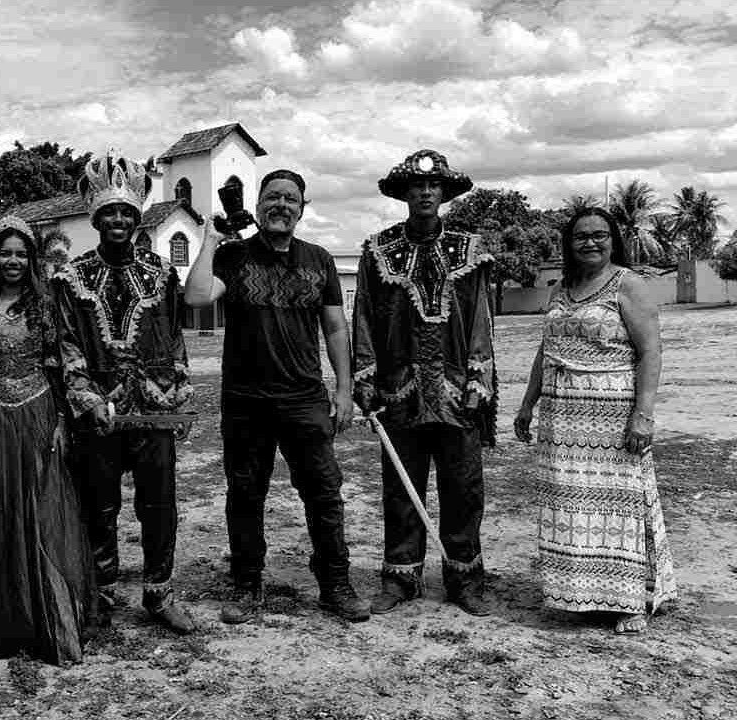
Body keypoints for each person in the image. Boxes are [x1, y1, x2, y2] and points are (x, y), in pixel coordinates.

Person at [183, 169, 370, 625]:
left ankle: (334, 583)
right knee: (245, 494)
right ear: (259, 204)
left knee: (325, 493)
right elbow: (197, 297)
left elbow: (334, 327)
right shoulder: (234, 255)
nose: (280, 205)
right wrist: (211, 238)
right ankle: (247, 585)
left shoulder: (320, 260)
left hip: (304, 398)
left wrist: (344, 391)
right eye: (271, 197)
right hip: (247, 400)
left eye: (290, 198)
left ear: (301, 208)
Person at [514, 207, 677, 634]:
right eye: (581, 236)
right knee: (573, 504)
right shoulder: (560, 288)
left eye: (599, 235)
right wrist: (528, 403)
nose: (590, 242)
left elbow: (651, 353)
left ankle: (631, 601)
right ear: (569, 243)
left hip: (612, 415)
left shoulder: (630, 285)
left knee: (620, 503)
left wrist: (643, 415)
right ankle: (583, 592)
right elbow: (545, 350)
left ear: (613, 239)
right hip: (561, 417)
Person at [52, 152, 196, 635]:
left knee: (159, 502)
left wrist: (176, 387)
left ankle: (159, 591)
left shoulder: (159, 272)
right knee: (100, 504)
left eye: (127, 213)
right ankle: (102, 592)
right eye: (110, 213)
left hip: (152, 408)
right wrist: (85, 396)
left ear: (138, 218)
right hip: (99, 409)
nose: (118, 220)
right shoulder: (72, 277)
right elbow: (67, 343)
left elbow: (174, 335)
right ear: (96, 219)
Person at [352, 149, 496, 617]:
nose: (425, 192)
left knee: (464, 486)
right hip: (400, 390)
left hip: (456, 391)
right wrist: (365, 376)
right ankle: (401, 576)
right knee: (399, 487)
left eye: (433, 186)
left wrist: (479, 378)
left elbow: (480, 319)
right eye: (416, 186)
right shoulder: (380, 250)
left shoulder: (469, 248)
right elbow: (365, 318)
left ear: (445, 193)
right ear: (405, 194)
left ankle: (464, 579)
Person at [0, 216, 94, 664]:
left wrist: (60, 419)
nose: (13, 261)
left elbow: (59, 364)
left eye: (21, 254)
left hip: (37, 411)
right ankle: (1, 619)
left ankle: (47, 616)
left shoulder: (48, 305)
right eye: (5, 253)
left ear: (31, 260)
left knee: (41, 506)